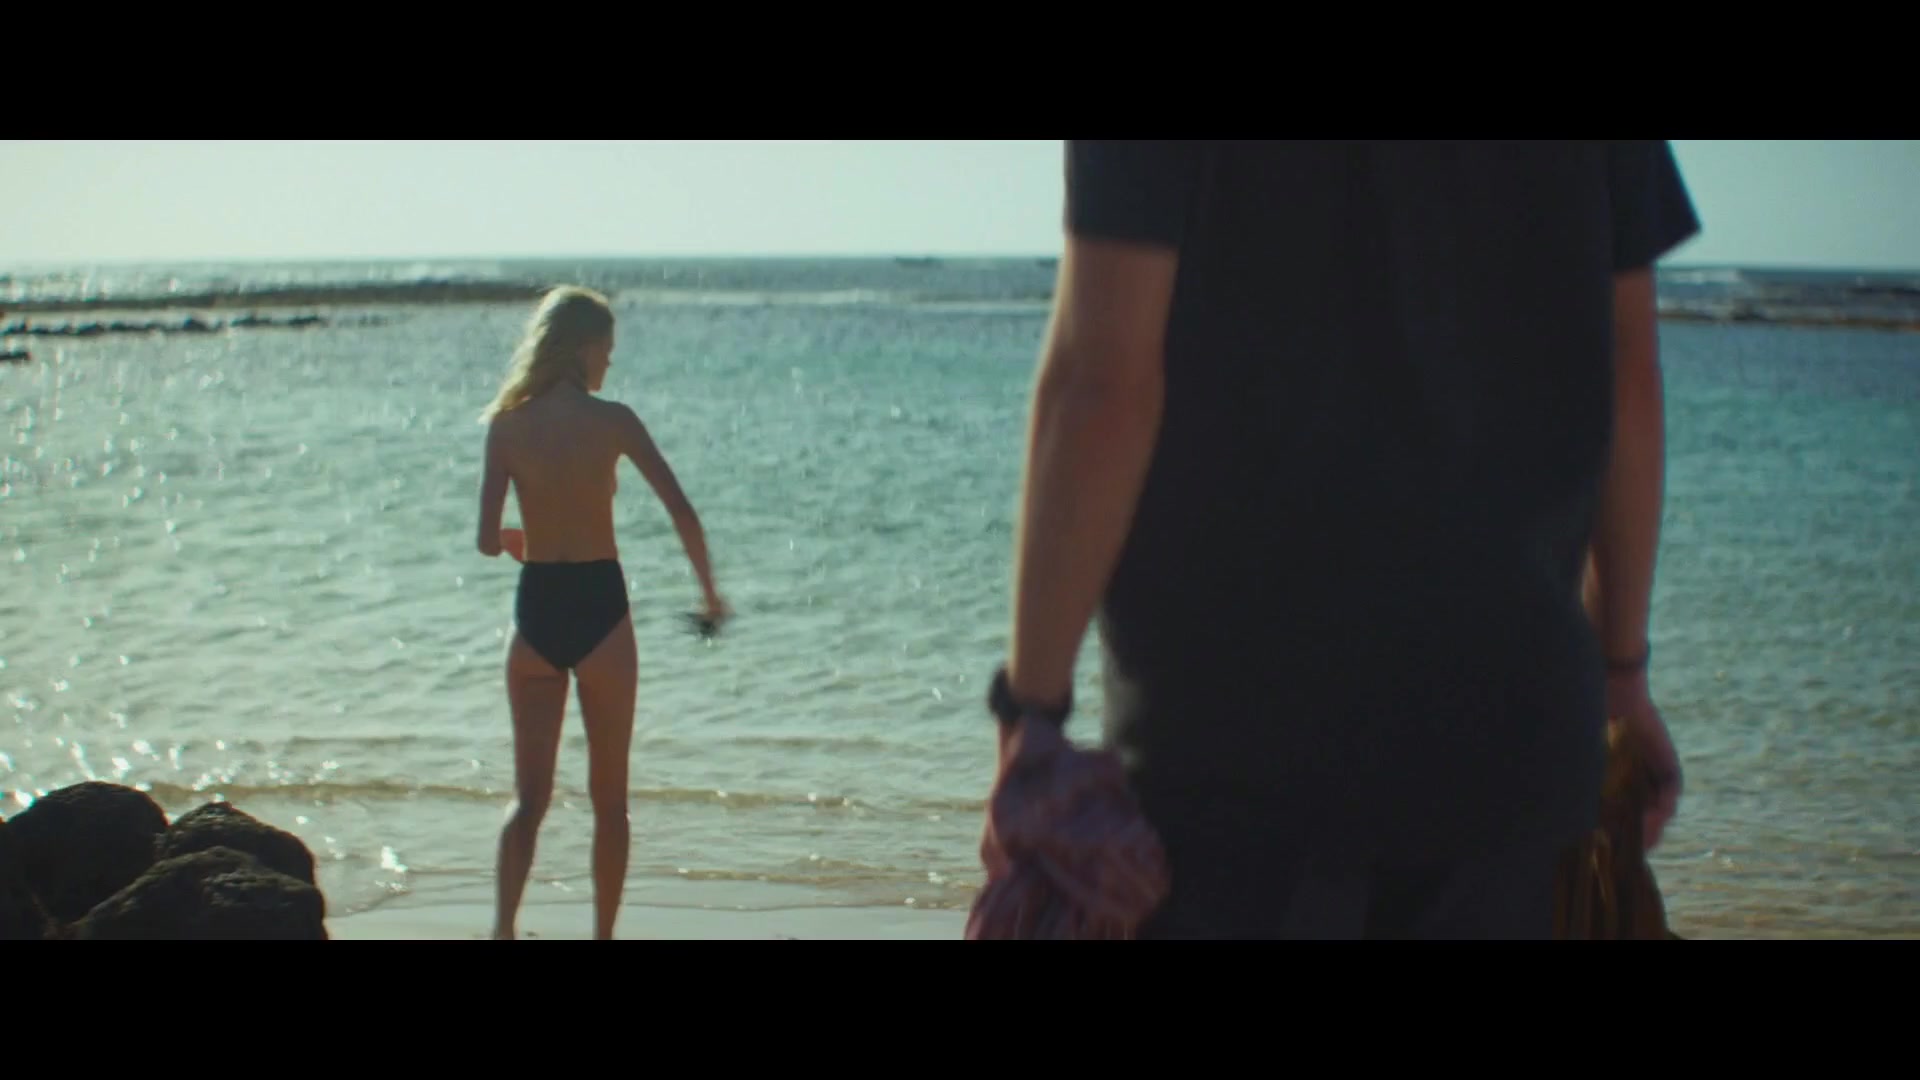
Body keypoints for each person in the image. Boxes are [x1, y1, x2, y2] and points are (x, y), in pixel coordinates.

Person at [987, 141, 1698, 938]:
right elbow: (1630, 380)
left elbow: (1102, 385)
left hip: (1231, 758)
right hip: (1513, 751)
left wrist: (1031, 719)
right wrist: (1620, 672)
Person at [475, 286, 727, 940]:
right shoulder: (614, 421)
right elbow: (681, 511)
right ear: (583, 346)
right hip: (601, 610)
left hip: (535, 609)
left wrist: (524, 541)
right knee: (610, 804)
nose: (609, 362)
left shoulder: (506, 425)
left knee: (527, 801)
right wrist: (710, 596)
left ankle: (502, 931)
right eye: (606, 349)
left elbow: (486, 539)